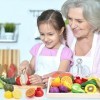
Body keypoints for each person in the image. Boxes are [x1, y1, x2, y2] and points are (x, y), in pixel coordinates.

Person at [18, 9, 73, 84]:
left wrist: (41, 79)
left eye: (50, 34)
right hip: (36, 89)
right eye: (42, 34)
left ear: (60, 31)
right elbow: (31, 71)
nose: (46, 39)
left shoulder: (65, 52)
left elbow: (60, 75)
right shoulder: (38, 48)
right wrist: (25, 65)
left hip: (53, 92)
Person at [61, 0, 100, 77]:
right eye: (70, 19)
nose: (72, 25)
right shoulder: (66, 32)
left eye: (79, 21)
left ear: (93, 21)